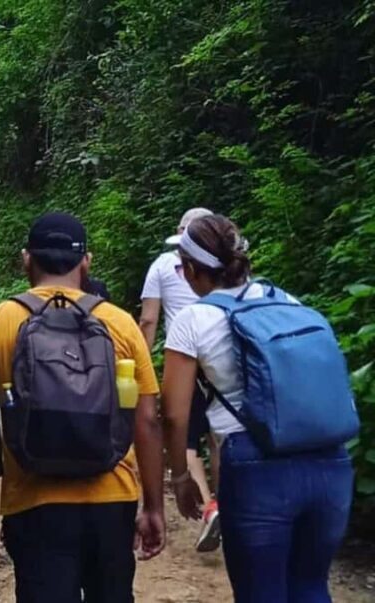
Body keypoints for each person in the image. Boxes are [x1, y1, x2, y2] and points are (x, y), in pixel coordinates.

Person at [0, 213, 165, 602]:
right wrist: (154, 505)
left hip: (33, 503)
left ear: (26, 260)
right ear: (85, 261)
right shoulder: (120, 324)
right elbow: (148, 421)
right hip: (112, 500)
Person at [161, 214, 355, 602]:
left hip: (257, 469)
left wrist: (181, 476)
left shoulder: (192, 319)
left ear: (194, 270)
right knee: (311, 587)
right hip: (330, 464)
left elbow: (174, 412)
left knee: (259, 594)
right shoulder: (288, 301)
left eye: (183, 266)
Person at [139, 206, 221, 552]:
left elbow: (148, 319)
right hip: (221, 355)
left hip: (185, 359)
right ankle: (225, 501)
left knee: (184, 436)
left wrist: (141, 366)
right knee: (220, 435)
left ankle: (208, 506)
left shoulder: (162, 265)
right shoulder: (224, 266)